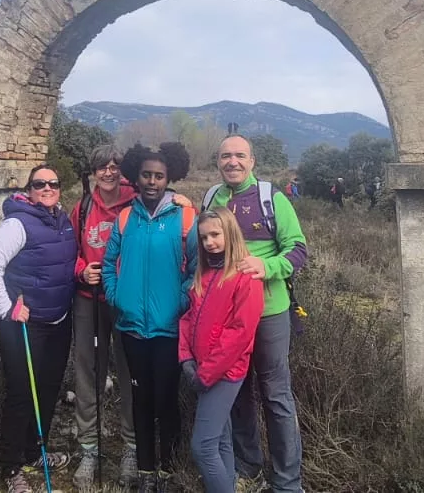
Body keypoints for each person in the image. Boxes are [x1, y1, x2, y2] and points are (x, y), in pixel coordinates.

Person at [204, 135, 308, 493]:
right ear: (217, 161)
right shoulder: (211, 198)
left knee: (276, 396)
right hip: (226, 317)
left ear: (252, 161)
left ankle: (287, 482)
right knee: (236, 392)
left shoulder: (271, 198)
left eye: (239, 155)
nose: (232, 161)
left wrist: (266, 266)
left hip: (268, 313)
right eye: (225, 156)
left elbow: (298, 250)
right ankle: (248, 466)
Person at [102, 142, 198, 492]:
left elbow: (198, 270)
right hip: (131, 327)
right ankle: (145, 472)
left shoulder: (186, 216)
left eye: (159, 175)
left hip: (169, 328)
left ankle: (169, 471)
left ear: (169, 176)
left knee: (166, 399)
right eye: (146, 175)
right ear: (136, 177)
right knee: (141, 398)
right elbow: (110, 262)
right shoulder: (126, 217)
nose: (152, 181)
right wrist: (116, 296)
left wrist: (179, 302)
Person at [0, 165, 78, 493]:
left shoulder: (63, 220)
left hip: (58, 321)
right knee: (22, 393)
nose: (47, 188)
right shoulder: (17, 223)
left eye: (53, 183)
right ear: (29, 189)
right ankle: (10, 468)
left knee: (48, 388)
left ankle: (36, 451)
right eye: (40, 184)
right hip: (24, 324)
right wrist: (7, 309)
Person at [179, 207, 265, 493]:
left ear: (230, 233)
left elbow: (239, 333)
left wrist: (206, 373)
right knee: (220, 440)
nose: (209, 243)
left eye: (215, 235)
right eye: (203, 238)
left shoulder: (245, 278)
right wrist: (186, 358)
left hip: (225, 373)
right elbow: (188, 318)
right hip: (203, 368)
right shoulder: (204, 274)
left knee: (202, 447)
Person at [70, 145, 139, 488]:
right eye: (102, 167)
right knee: (87, 371)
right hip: (88, 299)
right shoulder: (82, 208)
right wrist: (83, 270)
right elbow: (67, 251)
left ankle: (131, 445)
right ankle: (88, 448)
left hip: (125, 300)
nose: (109, 172)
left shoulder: (136, 203)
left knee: (130, 371)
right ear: (93, 172)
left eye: (115, 166)